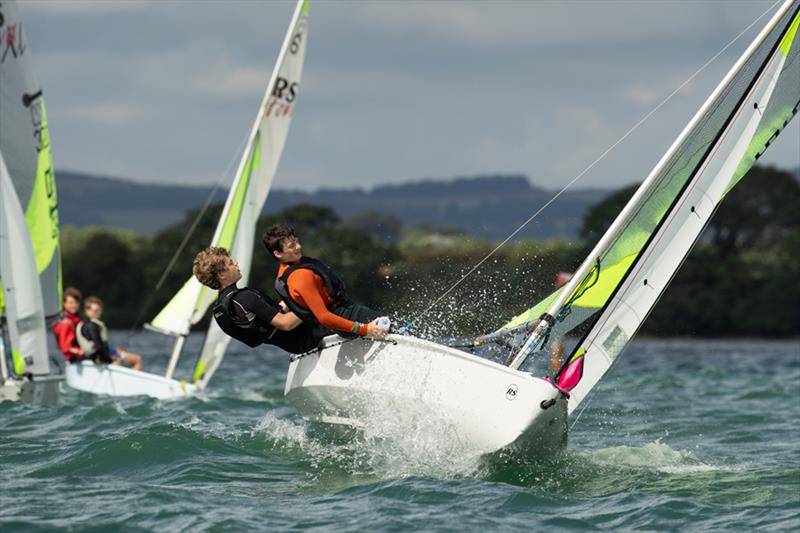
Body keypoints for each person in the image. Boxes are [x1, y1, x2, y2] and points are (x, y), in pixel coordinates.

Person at [193, 246, 329, 354]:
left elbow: (273, 315)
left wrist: (295, 297)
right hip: (310, 337)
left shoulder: (224, 306)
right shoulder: (244, 297)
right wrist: (313, 302)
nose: (236, 263)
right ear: (222, 274)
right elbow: (286, 323)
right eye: (230, 263)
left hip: (296, 346)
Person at [262, 224, 388, 338]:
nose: (299, 247)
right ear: (278, 253)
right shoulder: (299, 276)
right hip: (347, 317)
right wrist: (364, 329)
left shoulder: (287, 269)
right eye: (292, 246)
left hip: (345, 318)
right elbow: (323, 317)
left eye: (297, 242)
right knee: (403, 329)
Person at [76, 296, 143, 370]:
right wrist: (110, 360)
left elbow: (101, 346)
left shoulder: (87, 323)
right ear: (87, 310)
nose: (98, 313)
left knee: (132, 357)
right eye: (95, 310)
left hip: (105, 353)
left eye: (99, 310)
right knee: (137, 359)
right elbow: (98, 347)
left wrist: (114, 351)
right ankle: (131, 381)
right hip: (98, 357)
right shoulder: (91, 326)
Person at [52, 287, 86, 362]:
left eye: (76, 302)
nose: (74, 305)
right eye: (71, 303)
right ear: (64, 304)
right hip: (67, 361)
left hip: (76, 358)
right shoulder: (65, 323)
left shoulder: (77, 320)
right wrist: (79, 351)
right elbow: (64, 347)